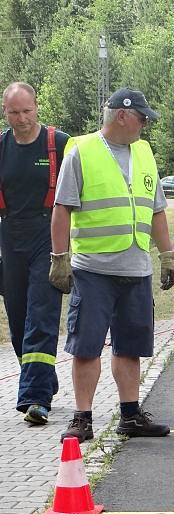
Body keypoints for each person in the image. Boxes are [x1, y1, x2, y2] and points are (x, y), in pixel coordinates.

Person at [49, 87, 174, 442]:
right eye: (142, 118)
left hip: (136, 270)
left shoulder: (145, 152)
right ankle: (82, 418)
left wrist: (167, 254)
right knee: (86, 346)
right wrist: (60, 258)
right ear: (122, 115)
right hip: (94, 271)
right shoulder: (82, 151)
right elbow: (62, 209)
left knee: (131, 346)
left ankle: (130, 416)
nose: (145, 125)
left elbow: (156, 209)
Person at [0, 82, 69, 425]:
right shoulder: (1, 146)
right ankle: (44, 378)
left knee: (40, 317)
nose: (22, 119)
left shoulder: (58, 144)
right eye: (14, 112)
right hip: (10, 237)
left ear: (37, 107)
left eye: (27, 111)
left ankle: (35, 398)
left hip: (48, 236)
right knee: (17, 320)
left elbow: (74, 199)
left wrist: (67, 252)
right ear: (5, 111)